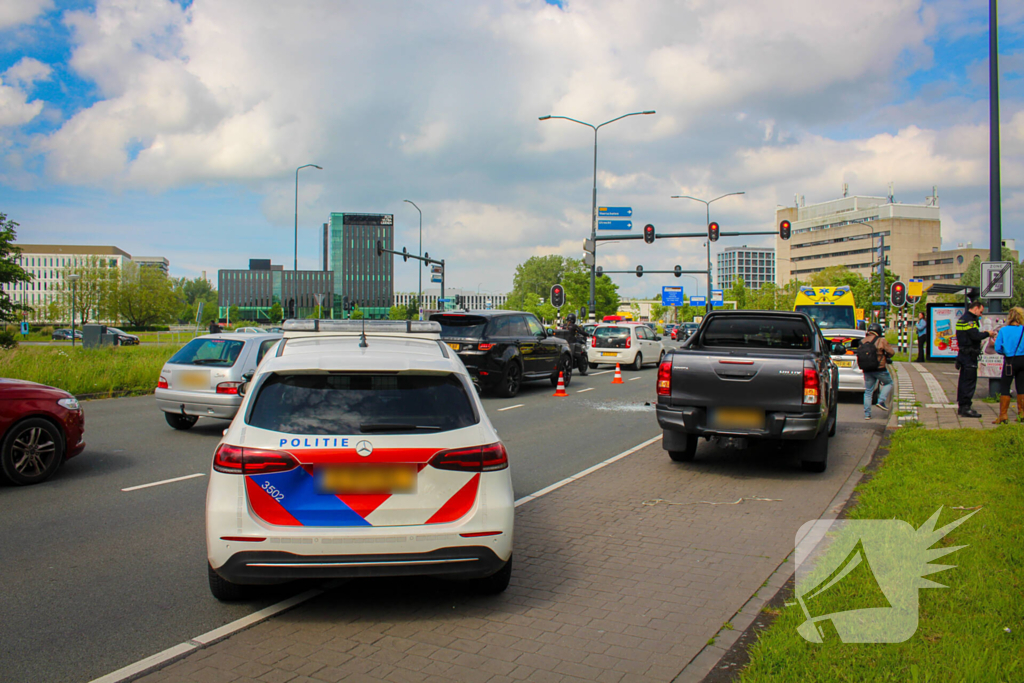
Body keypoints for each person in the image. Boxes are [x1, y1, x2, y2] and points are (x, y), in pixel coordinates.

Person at [955, 299, 997, 418]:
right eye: (981, 311)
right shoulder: (970, 320)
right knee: (969, 381)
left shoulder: (962, 319)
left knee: (963, 381)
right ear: (976, 308)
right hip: (969, 355)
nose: (981, 314)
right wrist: (987, 334)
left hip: (963, 354)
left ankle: (962, 405)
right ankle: (966, 407)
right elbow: (974, 336)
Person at [993, 306, 1024, 424]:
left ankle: (1003, 415)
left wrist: (1006, 352)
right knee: (1021, 386)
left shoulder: (1004, 330)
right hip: (1023, 360)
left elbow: (997, 347)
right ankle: (1022, 413)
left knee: (1005, 386)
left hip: (1010, 361)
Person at [861, 323, 895, 420]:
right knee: (889, 383)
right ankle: (881, 400)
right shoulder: (881, 341)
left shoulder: (863, 341)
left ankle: (867, 414)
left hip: (867, 369)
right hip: (880, 369)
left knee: (868, 391)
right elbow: (891, 352)